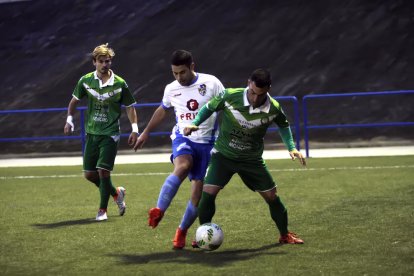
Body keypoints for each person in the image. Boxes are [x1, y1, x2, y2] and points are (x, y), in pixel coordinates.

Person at [184, 68, 306, 244]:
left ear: (269, 89)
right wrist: (195, 123)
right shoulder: (229, 96)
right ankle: (203, 235)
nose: (256, 98)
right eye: (253, 92)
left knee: (272, 197)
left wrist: (291, 147)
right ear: (249, 83)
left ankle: (285, 235)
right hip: (223, 156)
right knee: (208, 194)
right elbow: (208, 108)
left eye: (261, 94)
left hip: (251, 160)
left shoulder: (273, 108)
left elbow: (283, 125)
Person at [133, 49, 225, 249]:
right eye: (174, 73)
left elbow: (226, 107)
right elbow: (162, 109)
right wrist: (146, 132)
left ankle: (181, 231)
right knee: (183, 165)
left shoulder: (212, 83)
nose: (178, 77)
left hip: (207, 143)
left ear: (192, 66)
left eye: (182, 72)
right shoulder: (171, 88)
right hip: (182, 137)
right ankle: (159, 209)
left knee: (197, 194)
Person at [64, 43, 139, 221]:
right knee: (89, 174)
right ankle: (116, 193)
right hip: (92, 133)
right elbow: (74, 101)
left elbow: (130, 107)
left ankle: (102, 210)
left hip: (110, 134)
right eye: (102, 61)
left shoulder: (120, 83)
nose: (105, 64)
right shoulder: (85, 80)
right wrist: (69, 119)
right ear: (94, 62)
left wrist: (135, 129)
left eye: (108, 61)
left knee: (103, 171)